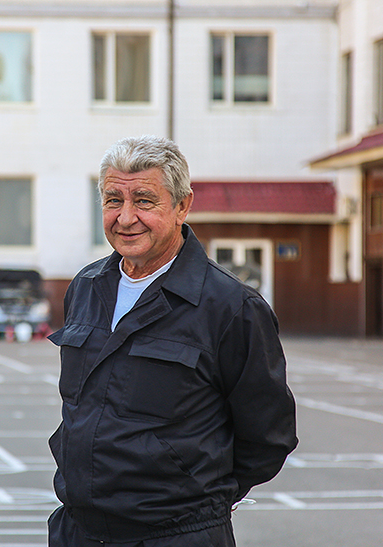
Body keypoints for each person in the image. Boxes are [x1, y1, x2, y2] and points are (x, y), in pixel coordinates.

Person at [47, 136, 298, 546]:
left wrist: (194, 501)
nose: (126, 217)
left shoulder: (230, 307)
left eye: (144, 201)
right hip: (79, 532)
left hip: (178, 535)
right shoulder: (86, 287)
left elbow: (268, 436)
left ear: (182, 206)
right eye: (113, 201)